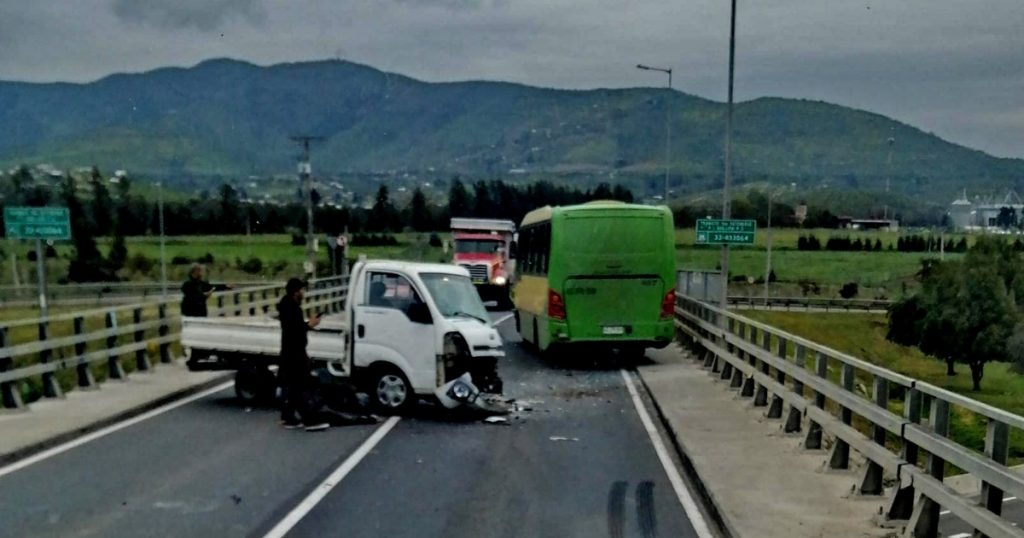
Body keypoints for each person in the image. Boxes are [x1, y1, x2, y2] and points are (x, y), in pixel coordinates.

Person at [277, 277, 329, 432]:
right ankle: (309, 420)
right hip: (294, 353)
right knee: (301, 387)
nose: (303, 293)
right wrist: (309, 325)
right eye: (302, 290)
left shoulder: (286, 306)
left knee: (294, 387)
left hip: (290, 352)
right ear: (296, 292)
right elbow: (295, 331)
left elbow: (294, 327)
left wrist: (307, 325)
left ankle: (288, 418)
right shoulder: (292, 308)